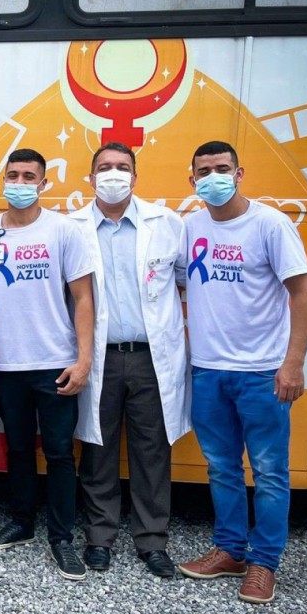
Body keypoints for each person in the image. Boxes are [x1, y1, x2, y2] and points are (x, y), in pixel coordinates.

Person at [176, 141, 307, 604]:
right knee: (221, 468)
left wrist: (292, 362)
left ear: (239, 173)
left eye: (221, 169)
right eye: (203, 171)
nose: (212, 177)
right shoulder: (189, 226)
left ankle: (264, 563)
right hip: (209, 371)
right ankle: (230, 550)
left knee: (271, 472)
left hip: (261, 373)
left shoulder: (270, 225)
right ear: (191, 179)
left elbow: (302, 294)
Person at [67, 142, 190, 578]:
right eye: (104, 168)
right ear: (91, 178)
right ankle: (99, 538)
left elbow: (186, 283)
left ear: (135, 178)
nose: (113, 174)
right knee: (98, 449)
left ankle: (152, 541)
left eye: (122, 168)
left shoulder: (167, 224)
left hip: (150, 358)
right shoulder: (73, 228)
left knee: (151, 449)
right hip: (98, 357)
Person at [0, 148, 95, 581]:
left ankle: (61, 538)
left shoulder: (64, 230)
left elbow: (83, 298)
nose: (20, 183)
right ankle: (22, 521)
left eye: (29, 177)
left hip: (56, 362)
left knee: (60, 453)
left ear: (44, 184)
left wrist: (83, 361)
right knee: (19, 448)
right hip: (6, 364)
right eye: (13, 175)